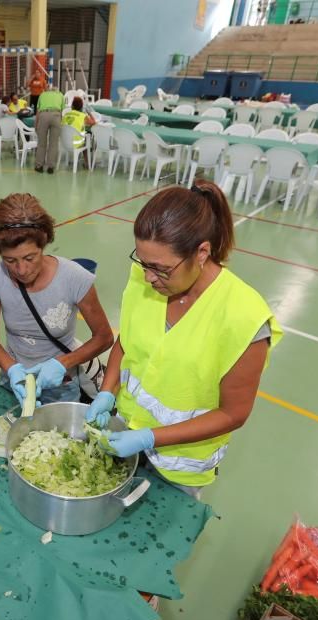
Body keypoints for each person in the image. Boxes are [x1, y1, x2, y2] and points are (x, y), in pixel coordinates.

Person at [85, 182, 282, 500]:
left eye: (160, 269)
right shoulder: (146, 275)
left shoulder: (244, 319)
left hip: (179, 467)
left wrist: (149, 437)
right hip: (124, 435)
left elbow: (233, 413)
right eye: (143, 263)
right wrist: (106, 392)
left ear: (202, 253)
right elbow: (127, 341)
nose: (149, 277)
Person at [0, 193, 113, 407]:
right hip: (16, 380)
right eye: (10, 260)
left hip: (61, 383)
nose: (21, 270)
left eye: (29, 258)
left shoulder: (74, 278)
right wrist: (12, 369)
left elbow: (104, 337)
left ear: (43, 245)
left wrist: (62, 364)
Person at [33, 85, 64, 174]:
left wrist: (36, 125)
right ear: (56, 90)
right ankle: (51, 167)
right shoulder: (60, 95)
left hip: (43, 116)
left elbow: (38, 112)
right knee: (53, 143)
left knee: (41, 143)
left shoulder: (42, 95)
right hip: (56, 116)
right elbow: (62, 111)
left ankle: (39, 166)